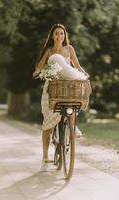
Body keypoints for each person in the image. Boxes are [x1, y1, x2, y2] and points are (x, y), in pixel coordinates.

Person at [33, 24, 89, 171]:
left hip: (67, 87)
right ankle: (45, 155)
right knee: (47, 124)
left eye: (61, 34)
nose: (59, 36)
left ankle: (72, 128)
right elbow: (39, 67)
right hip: (53, 87)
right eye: (56, 33)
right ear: (52, 36)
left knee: (72, 107)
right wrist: (38, 71)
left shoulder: (69, 49)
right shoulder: (49, 50)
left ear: (65, 36)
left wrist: (84, 75)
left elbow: (77, 66)